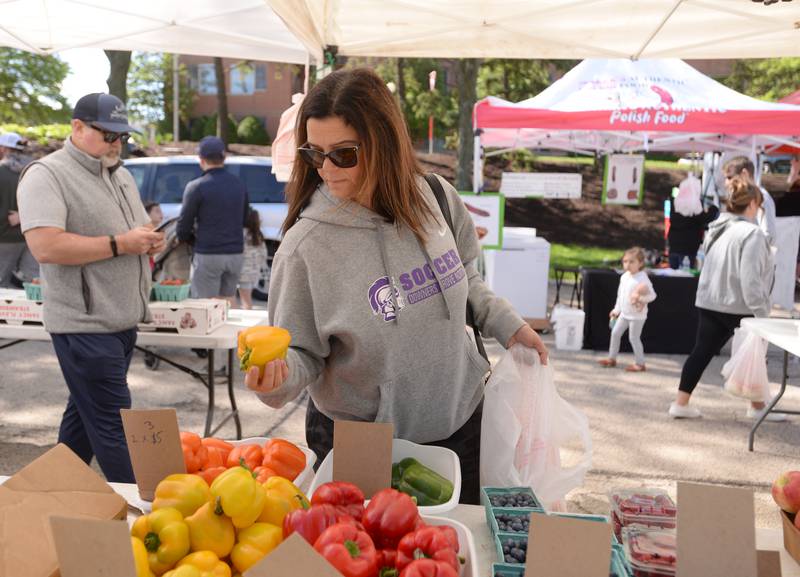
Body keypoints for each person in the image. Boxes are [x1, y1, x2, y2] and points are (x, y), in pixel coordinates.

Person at [242, 68, 548, 505]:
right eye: (314, 154)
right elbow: (302, 353)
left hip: (462, 423)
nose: (327, 169)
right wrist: (275, 379)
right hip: (365, 445)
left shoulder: (435, 197)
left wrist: (507, 324)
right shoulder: (305, 247)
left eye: (344, 154)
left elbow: (464, 273)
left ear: (385, 143)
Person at [16, 92, 165, 482]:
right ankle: (142, 524)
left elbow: (130, 232)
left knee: (82, 425)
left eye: (123, 137)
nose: (117, 144)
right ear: (77, 128)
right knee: (116, 430)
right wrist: (121, 244)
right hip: (85, 325)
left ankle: (48, 503)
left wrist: (145, 239)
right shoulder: (46, 175)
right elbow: (45, 246)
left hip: (120, 322)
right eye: (109, 135)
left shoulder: (121, 174)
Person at [669, 176, 781, 421]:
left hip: (711, 299)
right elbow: (750, 279)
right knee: (754, 355)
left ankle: (681, 402)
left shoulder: (716, 228)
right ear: (752, 204)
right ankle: (757, 406)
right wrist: (762, 311)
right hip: (738, 304)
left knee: (701, 352)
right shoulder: (751, 234)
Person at [176, 136, 248, 305]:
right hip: (236, 253)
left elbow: (183, 226)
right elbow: (244, 218)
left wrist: (188, 239)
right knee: (229, 301)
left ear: (201, 160)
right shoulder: (239, 184)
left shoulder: (196, 186)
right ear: (224, 158)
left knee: (204, 305)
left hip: (208, 253)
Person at [598, 247, 656, 372]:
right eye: (625, 261)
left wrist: (640, 298)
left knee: (634, 338)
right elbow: (621, 296)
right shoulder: (624, 277)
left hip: (637, 316)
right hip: (624, 314)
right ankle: (611, 358)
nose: (627, 265)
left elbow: (652, 295)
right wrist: (616, 310)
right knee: (615, 333)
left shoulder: (642, 278)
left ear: (640, 263)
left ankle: (640, 364)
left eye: (631, 262)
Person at [0, 132, 38, 287]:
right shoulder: (35, 171)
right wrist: (25, 215)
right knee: (27, 283)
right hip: (31, 237)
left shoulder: (1, 171)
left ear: (3, 149)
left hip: (4, 238)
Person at [667, 178, 719, 269]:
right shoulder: (693, 205)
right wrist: (714, 208)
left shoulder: (675, 203)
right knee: (686, 277)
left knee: (673, 275)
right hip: (689, 248)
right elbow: (706, 218)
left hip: (674, 246)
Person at [723, 156, 776, 244]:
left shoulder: (762, 198)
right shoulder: (736, 196)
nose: (726, 183)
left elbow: (769, 236)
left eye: (729, 177)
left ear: (744, 174)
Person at [238, 207, 267, 309]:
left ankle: (246, 320)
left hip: (243, 272)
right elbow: (264, 254)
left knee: (245, 300)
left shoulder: (242, 234)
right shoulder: (258, 234)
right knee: (247, 298)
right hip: (254, 273)